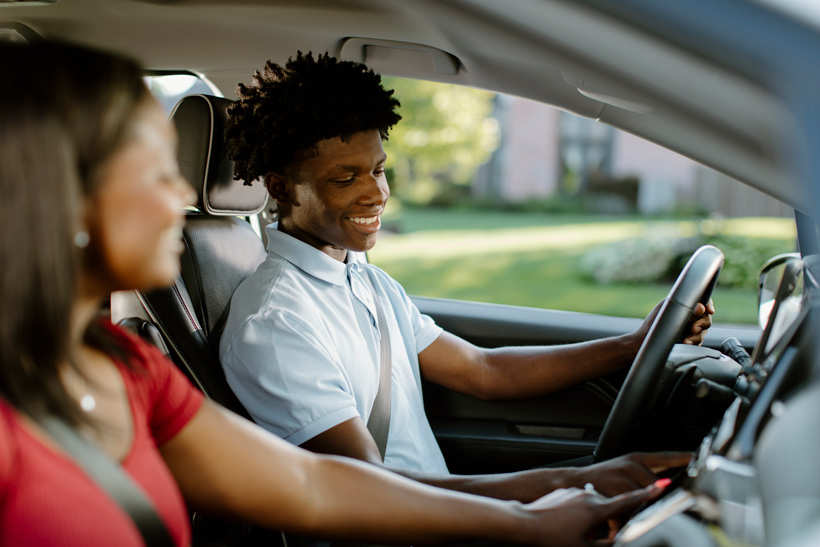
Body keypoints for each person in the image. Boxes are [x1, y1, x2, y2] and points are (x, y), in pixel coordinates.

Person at [0, 40, 671, 546]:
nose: (181, 196)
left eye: (377, 170)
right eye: (153, 173)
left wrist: (549, 496)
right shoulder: (271, 318)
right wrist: (534, 505)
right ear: (62, 196)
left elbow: (308, 482)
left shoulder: (131, 370)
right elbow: (348, 483)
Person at [220, 52, 711, 503]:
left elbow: (483, 371)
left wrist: (634, 344)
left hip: (444, 514)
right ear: (282, 188)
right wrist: (558, 488)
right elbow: (372, 490)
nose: (377, 194)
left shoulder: (364, 281)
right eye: (346, 179)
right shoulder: (275, 321)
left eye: (379, 170)